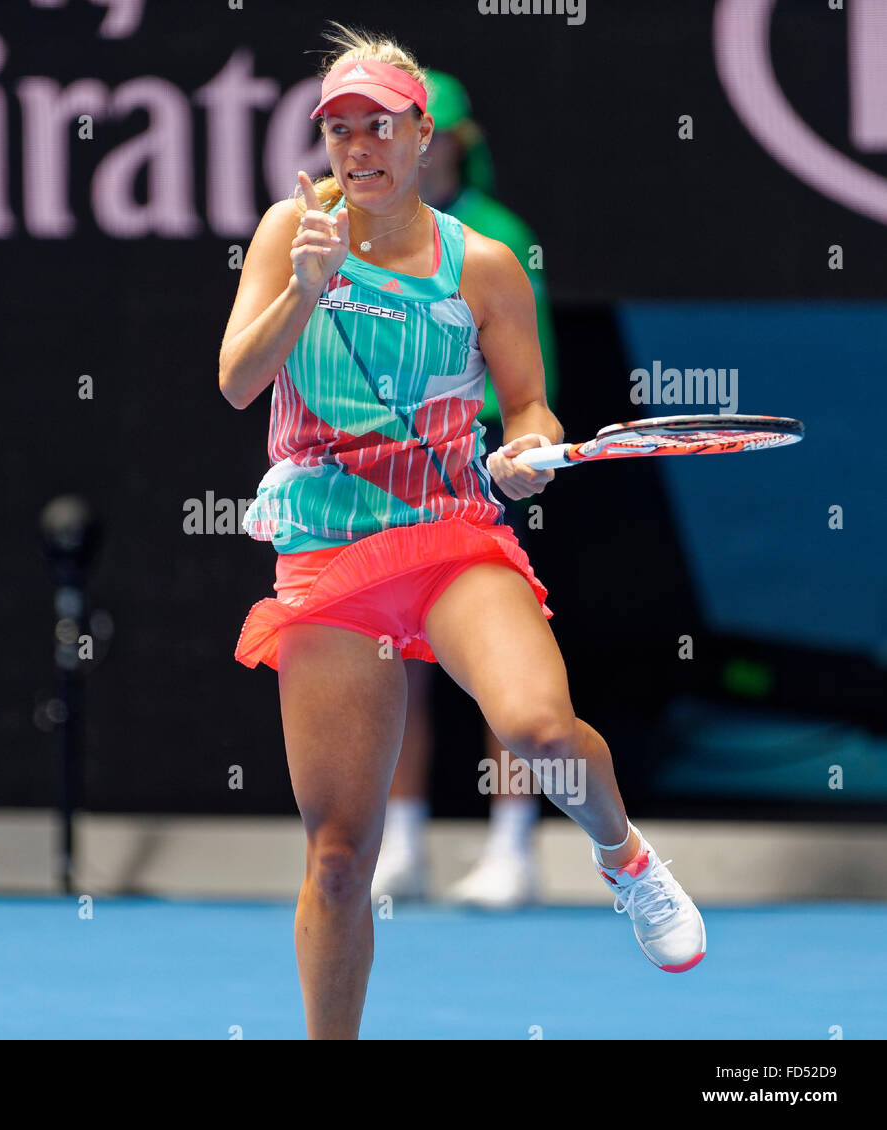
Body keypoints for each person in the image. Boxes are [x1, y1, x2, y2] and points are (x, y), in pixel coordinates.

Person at [219, 24, 705, 1039]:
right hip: (325, 549)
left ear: (421, 132)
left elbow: (529, 407)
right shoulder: (288, 231)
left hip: (449, 534)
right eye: (339, 130)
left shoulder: (483, 264)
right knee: (340, 856)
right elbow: (235, 382)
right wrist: (302, 293)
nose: (359, 149)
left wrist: (528, 448)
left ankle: (622, 857)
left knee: (535, 726)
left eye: (379, 127)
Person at [372, 70, 560, 908]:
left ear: (452, 141)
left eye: (427, 132)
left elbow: (527, 395)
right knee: (393, 665)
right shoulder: (346, 240)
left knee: (502, 674)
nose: (413, 149)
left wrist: (520, 447)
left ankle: (511, 849)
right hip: (382, 489)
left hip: (476, 481)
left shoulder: (498, 241)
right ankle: (401, 844)